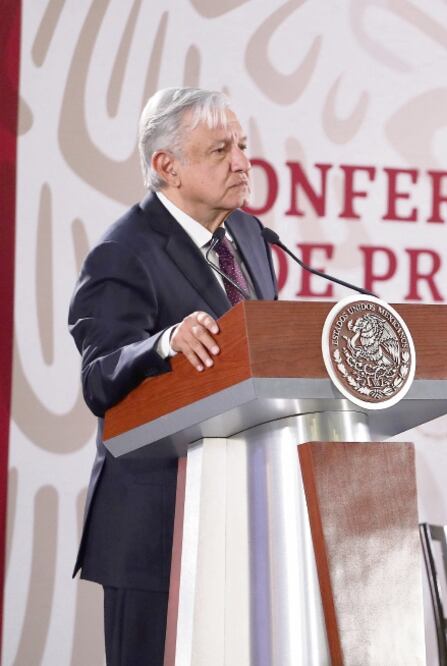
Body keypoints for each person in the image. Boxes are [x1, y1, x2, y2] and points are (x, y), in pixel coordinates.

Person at [67, 87, 278, 665]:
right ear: (167, 167)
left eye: (241, 145)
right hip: (155, 528)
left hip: (239, 520)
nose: (241, 162)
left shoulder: (252, 238)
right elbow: (100, 377)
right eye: (219, 150)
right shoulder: (123, 251)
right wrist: (163, 343)